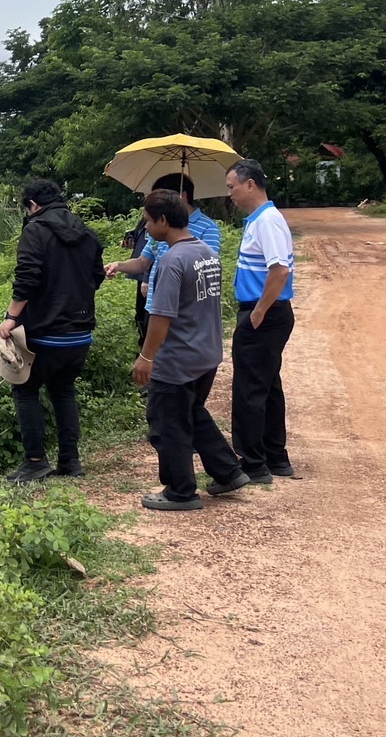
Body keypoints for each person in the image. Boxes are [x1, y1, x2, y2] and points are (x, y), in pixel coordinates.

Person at [131, 189, 249, 511]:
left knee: (166, 421)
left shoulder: (172, 260)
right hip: (206, 353)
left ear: (163, 221)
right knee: (192, 413)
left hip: (178, 357)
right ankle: (228, 471)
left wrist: (146, 357)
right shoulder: (206, 253)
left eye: (148, 221)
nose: (146, 227)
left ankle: (180, 491)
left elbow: (161, 316)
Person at [0, 179, 106, 483]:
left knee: (25, 388)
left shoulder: (35, 231)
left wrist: (10, 318)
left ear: (32, 205)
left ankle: (35, 462)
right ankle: (70, 461)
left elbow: (27, 279)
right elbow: (97, 277)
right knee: (63, 390)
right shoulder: (87, 233)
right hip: (81, 333)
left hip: (45, 332)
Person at [225, 159, 297, 483]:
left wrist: (257, 312)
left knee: (249, 389)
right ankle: (274, 456)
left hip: (264, 314)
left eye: (232, 187)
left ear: (250, 184)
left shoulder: (267, 220)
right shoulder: (260, 219)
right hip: (266, 313)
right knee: (267, 385)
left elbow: (279, 269)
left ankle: (252, 463)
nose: (230, 194)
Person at [104, 173, 223, 322]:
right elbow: (142, 262)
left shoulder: (208, 228)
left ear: (181, 196)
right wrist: (118, 265)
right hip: (154, 306)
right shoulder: (159, 228)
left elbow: (206, 270)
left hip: (184, 312)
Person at [120, 210, 151, 344]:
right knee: (140, 312)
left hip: (148, 277)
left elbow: (155, 255)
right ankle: (142, 344)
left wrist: (147, 278)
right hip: (141, 273)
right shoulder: (144, 221)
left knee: (149, 314)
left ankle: (147, 348)